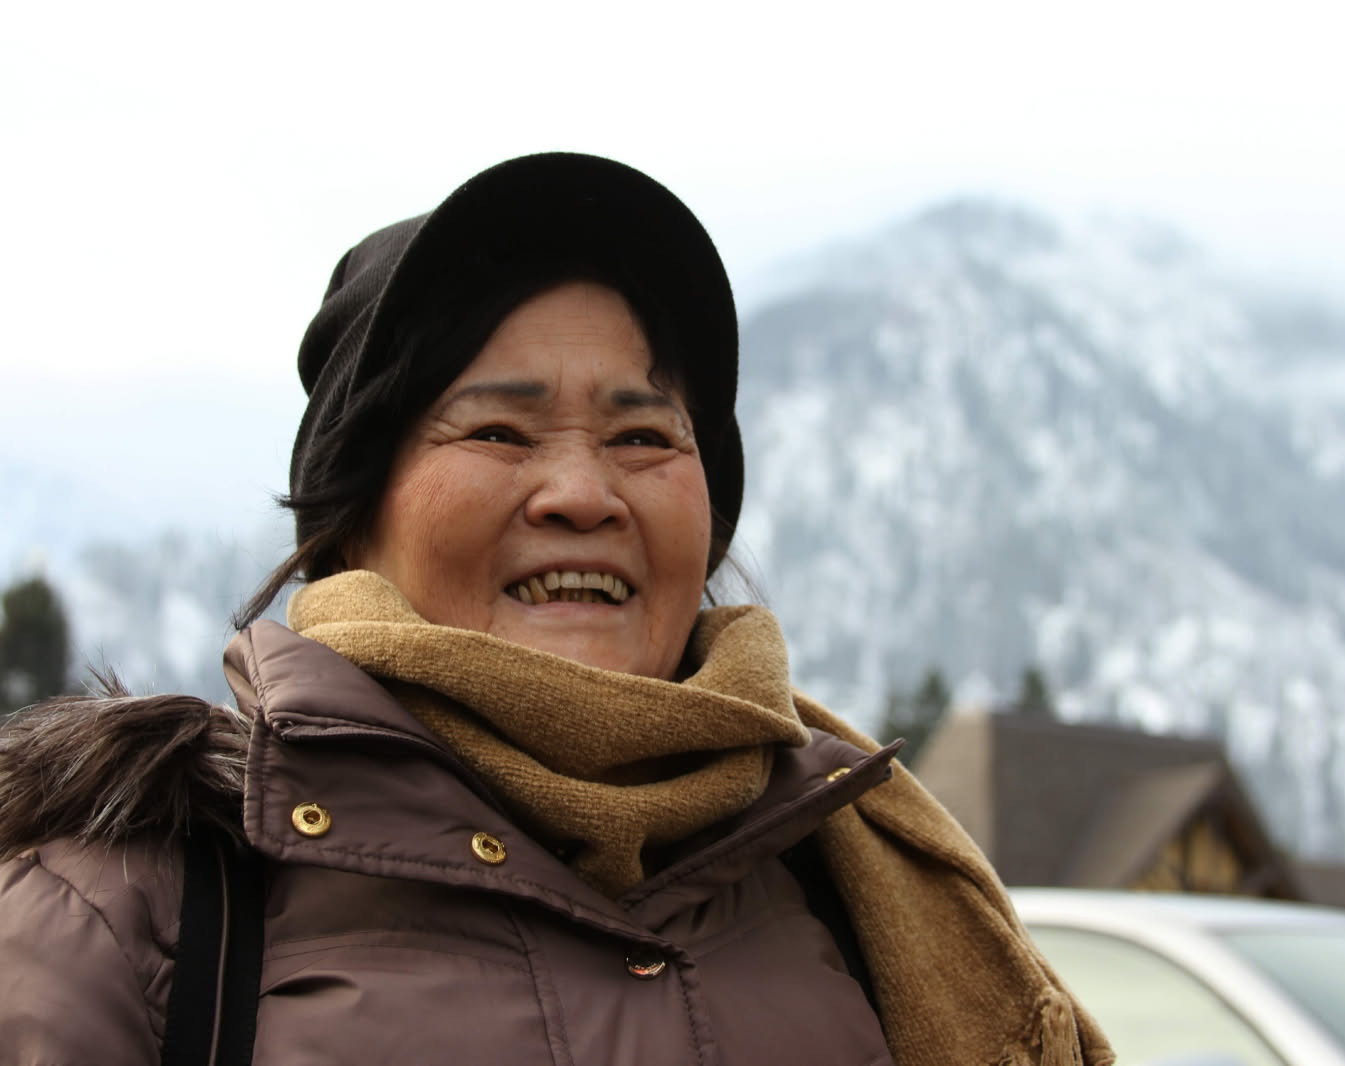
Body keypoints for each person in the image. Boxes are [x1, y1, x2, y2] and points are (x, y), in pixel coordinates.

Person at [0, 153, 1112, 1066]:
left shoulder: (845, 881)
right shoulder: (126, 913)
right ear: (349, 523)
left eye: (642, 437)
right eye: (498, 431)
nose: (583, 493)